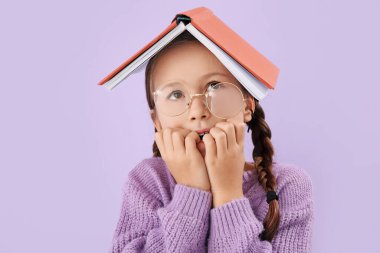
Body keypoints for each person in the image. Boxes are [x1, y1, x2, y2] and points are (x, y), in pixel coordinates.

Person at [108, 30, 314, 252]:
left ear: (247, 105)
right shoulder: (146, 181)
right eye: (176, 94)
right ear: (156, 120)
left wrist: (228, 193)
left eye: (215, 87)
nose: (197, 112)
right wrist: (191, 190)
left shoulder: (287, 185)